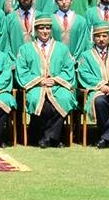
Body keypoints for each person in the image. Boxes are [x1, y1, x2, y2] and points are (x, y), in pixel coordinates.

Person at [18, 14, 77, 147]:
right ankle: (54, 138)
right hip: (36, 86)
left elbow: (68, 69)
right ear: (36, 30)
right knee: (40, 102)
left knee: (65, 98)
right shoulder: (25, 49)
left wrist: (55, 80)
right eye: (41, 28)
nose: (45, 31)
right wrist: (40, 81)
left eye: (48, 28)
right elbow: (22, 71)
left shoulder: (62, 48)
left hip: (57, 85)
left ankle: (46, 138)